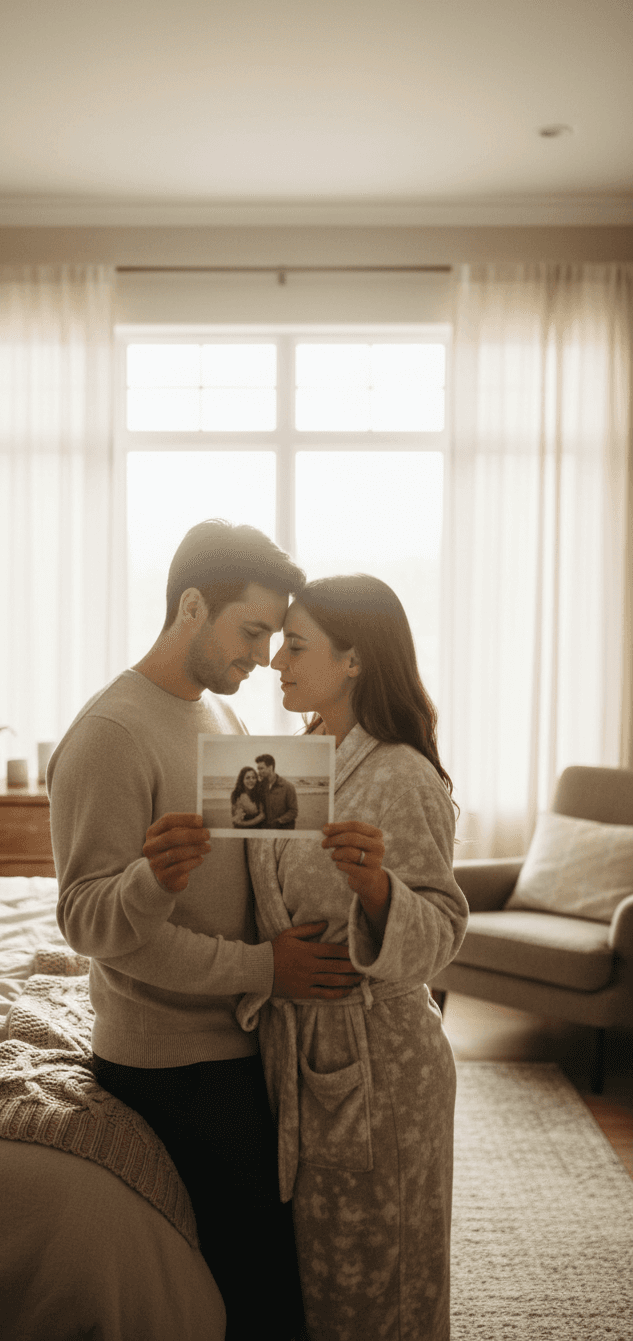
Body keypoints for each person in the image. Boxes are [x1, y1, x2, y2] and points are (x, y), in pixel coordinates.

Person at [47, 520, 364, 1341]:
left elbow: (257, 855)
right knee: (263, 1288)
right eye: (252, 631)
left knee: (301, 1248)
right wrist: (262, 965)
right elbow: (86, 918)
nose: (264, 658)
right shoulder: (110, 734)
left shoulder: (217, 720)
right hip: (173, 1059)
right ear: (192, 606)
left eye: (272, 637)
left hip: (237, 1033)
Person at [238, 574, 469, 1341]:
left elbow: (441, 929)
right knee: (321, 1292)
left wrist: (377, 890)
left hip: (384, 1073)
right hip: (300, 1056)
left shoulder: (401, 774)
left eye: (296, 647)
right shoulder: (292, 761)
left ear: (354, 661)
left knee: (384, 1289)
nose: (277, 661)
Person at [255, 753, 298, 830]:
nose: (259, 772)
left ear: (270, 767)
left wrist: (279, 821)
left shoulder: (287, 786)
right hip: (265, 829)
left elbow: (293, 811)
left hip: (284, 829)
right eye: (258, 769)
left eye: (261, 768)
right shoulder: (260, 786)